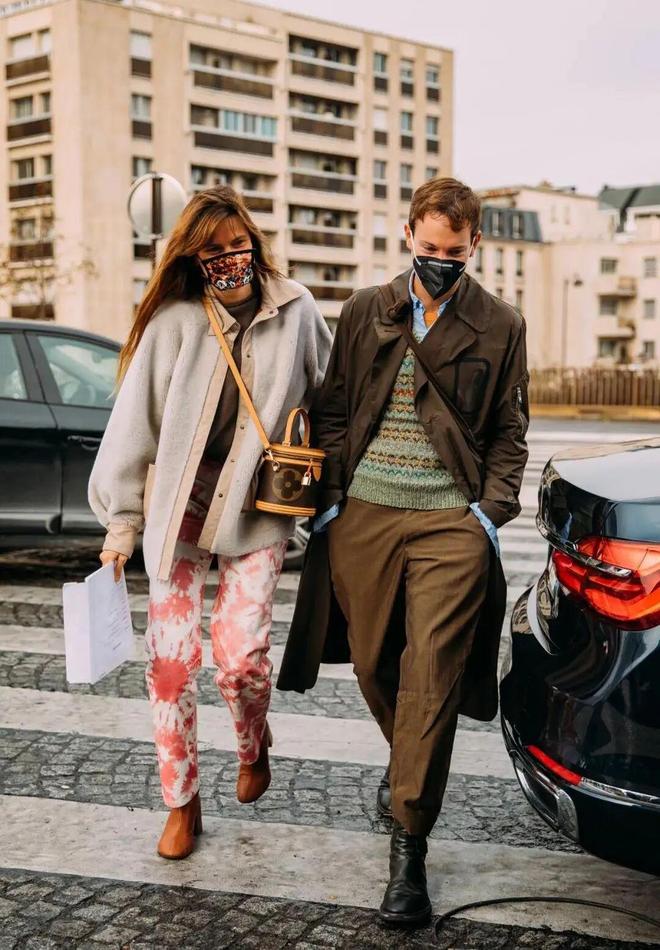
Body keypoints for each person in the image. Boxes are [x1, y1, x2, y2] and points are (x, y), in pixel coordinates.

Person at [278, 177, 529, 926]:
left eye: (455, 251)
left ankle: (409, 845)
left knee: (432, 673)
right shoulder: (366, 308)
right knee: (371, 663)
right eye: (429, 248)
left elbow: (511, 431)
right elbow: (331, 407)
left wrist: (487, 516)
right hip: (365, 516)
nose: (440, 262)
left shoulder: (501, 323)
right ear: (408, 236)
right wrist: (331, 502)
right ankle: (408, 766)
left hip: (452, 523)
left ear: (475, 244)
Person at [89, 185, 332, 860]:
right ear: (192, 258)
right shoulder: (173, 322)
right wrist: (120, 528)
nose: (229, 257)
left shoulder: (297, 310)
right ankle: (181, 801)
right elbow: (132, 428)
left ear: (253, 241)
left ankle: (254, 742)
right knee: (170, 663)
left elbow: (332, 398)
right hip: (180, 507)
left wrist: (330, 486)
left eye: (237, 243)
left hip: (259, 503)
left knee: (240, 657)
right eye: (213, 249)